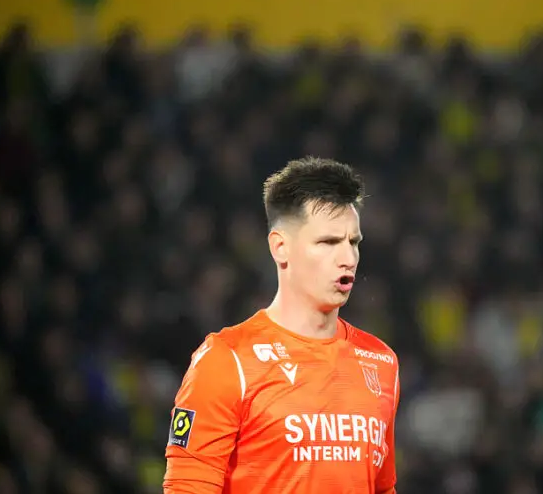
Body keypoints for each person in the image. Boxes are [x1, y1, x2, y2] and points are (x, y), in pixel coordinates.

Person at [164, 157, 400, 493]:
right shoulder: (227, 360)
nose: (348, 258)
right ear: (280, 247)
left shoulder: (381, 361)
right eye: (328, 242)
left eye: (354, 242)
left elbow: (381, 487)